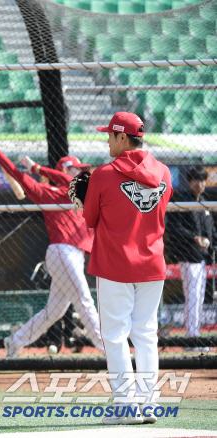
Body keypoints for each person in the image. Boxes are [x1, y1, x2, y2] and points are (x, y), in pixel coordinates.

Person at [78, 112, 173, 425]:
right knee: (146, 334)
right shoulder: (163, 172)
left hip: (115, 264)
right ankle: (148, 403)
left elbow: (89, 221)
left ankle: (125, 405)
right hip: (152, 263)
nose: (107, 139)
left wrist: (83, 198)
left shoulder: (103, 175)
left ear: (122, 137)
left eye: (110, 135)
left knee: (116, 335)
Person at [0, 131, 104, 356]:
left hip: (71, 255)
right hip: (63, 252)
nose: (82, 173)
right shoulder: (47, 191)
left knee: (54, 311)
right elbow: (18, 175)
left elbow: (70, 182)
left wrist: (37, 168)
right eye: (77, 169)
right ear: (66, 169)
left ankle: (15, 341)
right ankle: (111, 350)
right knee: (85, 301)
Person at [165, 166, 215, 351]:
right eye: (196, 180)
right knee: (192, 297)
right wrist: (194, 238)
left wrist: (212, 244)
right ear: (189, 181)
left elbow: (211, 230)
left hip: (203, 258)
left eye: (202, 180)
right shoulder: (182, 200)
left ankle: (195, 336)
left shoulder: (205, 201)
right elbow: (174, 229)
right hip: (187, 256)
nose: (200, 184)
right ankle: (191, 339)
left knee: (199, 298)